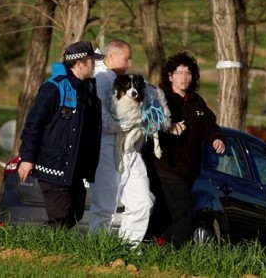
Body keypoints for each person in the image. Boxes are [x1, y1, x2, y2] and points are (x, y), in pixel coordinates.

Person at [17, 41, 103, 229]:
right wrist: (27, 158)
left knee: (75, 213)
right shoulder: (54, 88)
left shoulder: (88, 90)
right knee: (61, 215)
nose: (94, 65)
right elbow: (33, 125)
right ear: (80, 64)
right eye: (91, 61)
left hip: (75, 168)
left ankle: (48, 248)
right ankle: (39, 251)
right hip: (53, 165)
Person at [144, 52, 225, 248]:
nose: (184, 77)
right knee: (184, 216)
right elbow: (148, 123)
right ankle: (176, 255)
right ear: (170, 75)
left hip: (188, 171)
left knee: (164, 214)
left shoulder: (196, 101)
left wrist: (216, 138)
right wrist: (168, 127)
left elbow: (210, 125)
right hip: (165, 167)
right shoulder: (160, 97)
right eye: (179, 73)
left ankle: (154, 247)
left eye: (188, 73)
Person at [88, 39, 156, 246]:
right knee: (105, 205)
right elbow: (103, 122)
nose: (129, 63)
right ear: (111, 56)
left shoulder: (125, 81)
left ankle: (128, 248)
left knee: (143, 202)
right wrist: (135, 120)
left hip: (130, 150)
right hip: (106, 149)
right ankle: (98, 250)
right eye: (126, 58)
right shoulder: (99, 80)